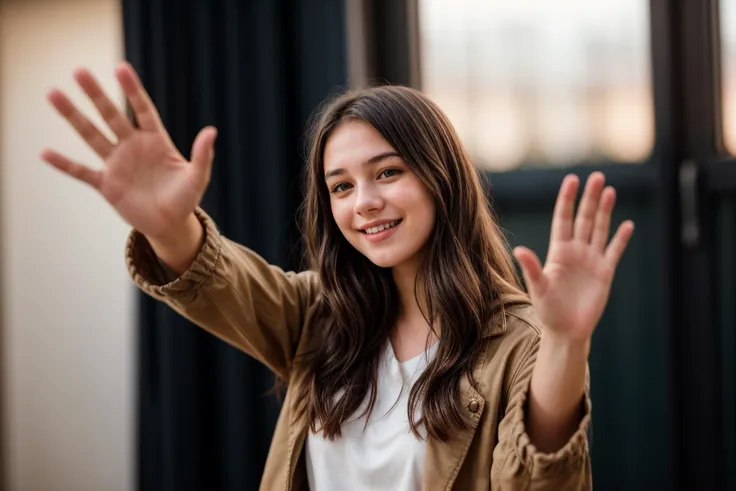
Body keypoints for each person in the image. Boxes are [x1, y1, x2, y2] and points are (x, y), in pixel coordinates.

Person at [42, 62, 633, 491]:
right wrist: (170, 227)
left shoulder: (515, 338)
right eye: (342, 186)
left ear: (440, 177)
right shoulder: (318, 315)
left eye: (388, 172)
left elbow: (540, 478)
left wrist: (565, 341)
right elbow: (220, 282)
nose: (364, 202)